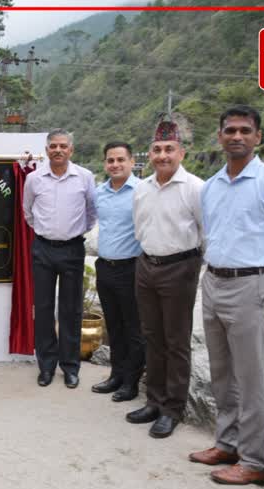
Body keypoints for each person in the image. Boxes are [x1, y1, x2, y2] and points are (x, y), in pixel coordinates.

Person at [190, 106, 264, 485]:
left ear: (258, 137)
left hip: (251, 285)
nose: (236, 136)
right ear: (219, 137)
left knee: (250, 375)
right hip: (214, 281)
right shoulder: (212, 186)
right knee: (222, 372)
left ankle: (254, 461)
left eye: (245, 130)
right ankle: (228, 442)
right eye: (230, 130)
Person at [128, 119, 204, 439]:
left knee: (176, 341)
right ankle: (154, 401)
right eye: (157, 150)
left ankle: (173, 409)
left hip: (180, 268)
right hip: (146, 266)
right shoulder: (141, 189)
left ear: (181, 153)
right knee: (152, 337)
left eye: (169, 149)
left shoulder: (196, 188)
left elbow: (206, 233)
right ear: (150, 153)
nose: (162, 155)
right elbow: (139, 228)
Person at [23, 129, 97, 389]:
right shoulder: (33, 179)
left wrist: (73, 233)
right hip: (43, 248)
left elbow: (91, 212)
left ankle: (70, 367)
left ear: (71, 150)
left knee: (71, 309)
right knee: (42, 309)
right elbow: (28, 212)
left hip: (73, 250)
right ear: (46, 150)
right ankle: (46, 366)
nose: (58, 150)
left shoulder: (85, 178)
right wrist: (47, 232)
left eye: (63, 146)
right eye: (53, 146)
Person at [91, 141, 145, 402]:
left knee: (134, 327)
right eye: (110, 160)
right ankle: (116, 375)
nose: (115, 164)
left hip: (132, 267)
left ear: (132, 162)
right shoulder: (99, 192)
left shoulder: (142, 191)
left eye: (121, 159)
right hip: (105, 267)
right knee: (113, 326)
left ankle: (131, 382)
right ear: (105, 163)